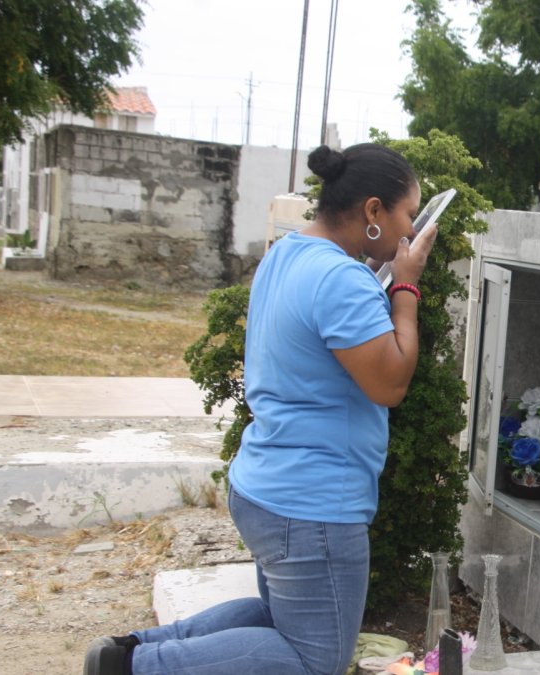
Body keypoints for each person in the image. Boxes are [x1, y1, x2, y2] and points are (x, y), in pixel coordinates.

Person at [83, 142, 437, 675]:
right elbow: (389, 384)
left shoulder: (290, 254)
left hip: (268, 486)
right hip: (313, 504)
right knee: (315, 658)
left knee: (279, 620)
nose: (411, 232)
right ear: (372, 211)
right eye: (408, 215)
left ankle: (127, 651)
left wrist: (382, 275)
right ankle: (134, 669)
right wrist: (406, 287)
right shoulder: (342, 280)